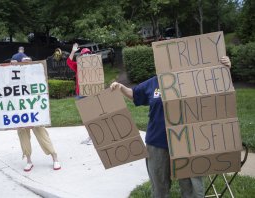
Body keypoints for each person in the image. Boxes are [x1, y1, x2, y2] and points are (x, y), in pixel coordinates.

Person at [110, 56, 232, 198]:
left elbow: (215, 88)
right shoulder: (153, 82)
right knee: (159, 187)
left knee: (191, 188)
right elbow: (136, 94)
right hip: (157, 142)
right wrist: (121, 87)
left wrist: (224, 69)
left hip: (188, 142)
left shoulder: (191, 79)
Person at [10, 55, 61, 172]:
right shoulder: (13, 76)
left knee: (42, 133)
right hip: (20, 111)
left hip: (34, 111)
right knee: (23, 135)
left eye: (27, 62)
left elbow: (41, 89)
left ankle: (55, 157)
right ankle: (28, 160)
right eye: (23, 62)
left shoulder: (37, 74)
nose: (25, 64)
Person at [67, 43, 93, 145]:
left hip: (92, 94)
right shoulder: (78, 66)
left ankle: (94, 137)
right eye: (84, 54)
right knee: (86, 118)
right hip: (81, 94)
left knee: (93, 116)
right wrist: (73, 51)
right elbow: (69, 62)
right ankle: (90, 136)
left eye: (88, 54)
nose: (86, 56)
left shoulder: (94, 65)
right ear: (81, 56)